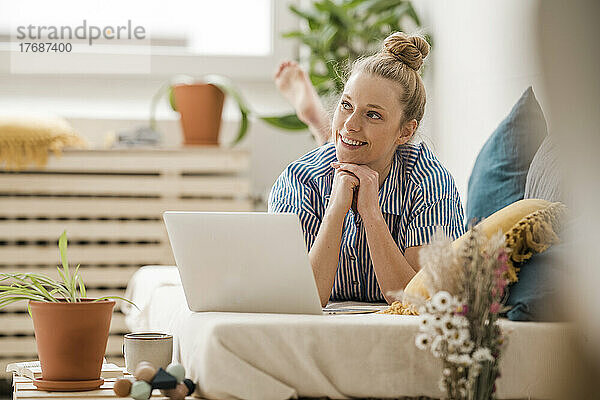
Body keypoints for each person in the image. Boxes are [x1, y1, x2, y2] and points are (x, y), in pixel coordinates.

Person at [269, 32, 465, 306]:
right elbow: (301, 299)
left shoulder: (429, 181)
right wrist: (337, 208)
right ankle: (319, 122)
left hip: (380, 160)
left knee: (348, 141)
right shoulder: (300, 178)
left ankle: (320, 124)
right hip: (333, 161)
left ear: (405, 132)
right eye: (346, 105)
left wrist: (371, 214)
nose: (350, 122)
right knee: (342, 142)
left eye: (373, 114)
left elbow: (423, 300)